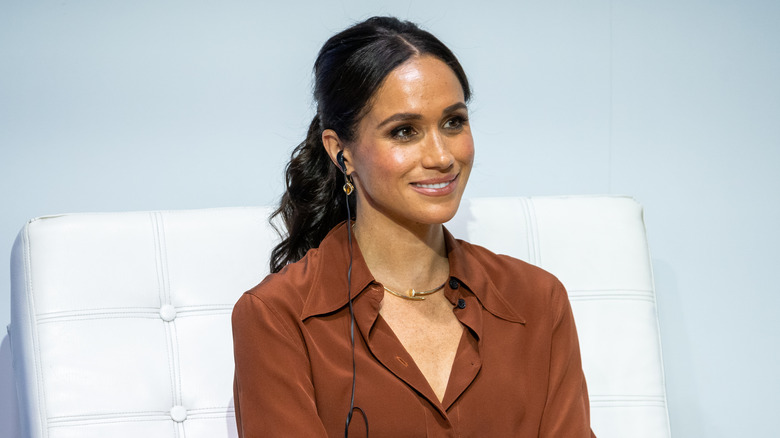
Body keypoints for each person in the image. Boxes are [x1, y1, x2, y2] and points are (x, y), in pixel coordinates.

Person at [232, 16, 595, 437]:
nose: (442, 156)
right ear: (341, 153)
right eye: (405, 131)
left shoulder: (537, 301)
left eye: (453, 122)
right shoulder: (277, 317)